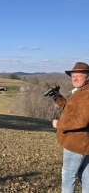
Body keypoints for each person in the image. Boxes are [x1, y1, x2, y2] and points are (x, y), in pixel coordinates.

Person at [51, 62, 89, 193]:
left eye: (79, 75)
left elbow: (81, 121)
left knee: (68, 175)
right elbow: (72, 109)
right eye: (73, 76)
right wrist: (57, 97)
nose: (75, 78)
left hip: (76, 143)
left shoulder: (86, 94)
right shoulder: (81, 91)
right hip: (84, 143)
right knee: (85, 178)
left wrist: (58, 124)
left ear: (87, 77)